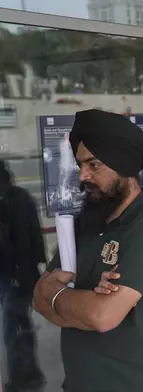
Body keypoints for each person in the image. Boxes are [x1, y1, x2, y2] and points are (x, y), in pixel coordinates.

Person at [32, 109, 143, 392]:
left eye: (94, 164)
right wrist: (80, 303)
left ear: (124, 167)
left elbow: (102, 317)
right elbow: (39, 299)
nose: (83, 175)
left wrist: (59, 296)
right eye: (80, 165)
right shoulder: (85, 222)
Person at [0, 161, 47, 392]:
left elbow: (15, 242)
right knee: (21, 325)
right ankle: (29, 372)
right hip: (22, 273)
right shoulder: (23, 198)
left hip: (14, 274)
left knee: (13, 328)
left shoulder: (8, 203)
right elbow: (36, 235)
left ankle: (22, 377)